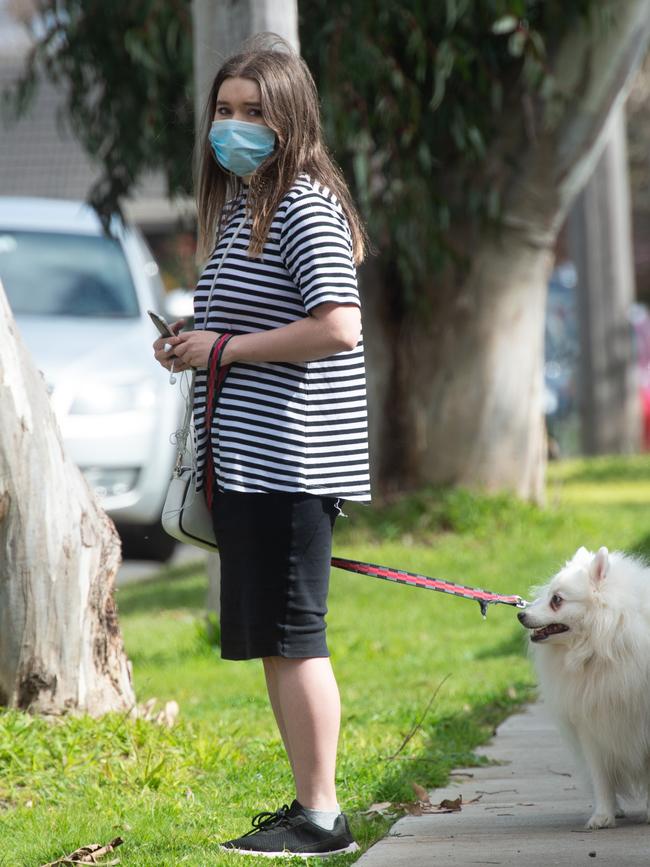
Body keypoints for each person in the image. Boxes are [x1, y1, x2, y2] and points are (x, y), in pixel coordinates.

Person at [153, 33, 370, 859]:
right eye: (225, 109)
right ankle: (309, 803)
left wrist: (225, 349)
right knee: (278, 641)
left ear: (292, 121)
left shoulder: (305, 205)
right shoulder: (249, 204)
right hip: (246, 462)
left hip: (289, 461)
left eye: (254, 112)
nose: (234, 124)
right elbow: (243, 326)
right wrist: (192, 341)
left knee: (293, 636)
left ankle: (322, 815)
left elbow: (337, 328)